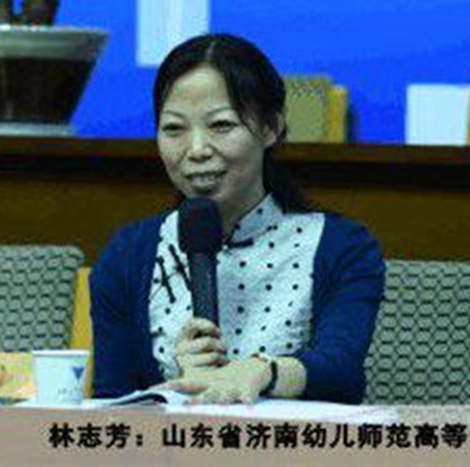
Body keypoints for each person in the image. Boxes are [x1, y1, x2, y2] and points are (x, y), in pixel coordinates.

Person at [90, 33, 385, 405]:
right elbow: (110, 404)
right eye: (174, 129)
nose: (197, 150)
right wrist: (180, 388)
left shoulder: (342, 247)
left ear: (271, 127)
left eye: (221, 125)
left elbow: (342, 373)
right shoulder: (128, 254)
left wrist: (265, 372)